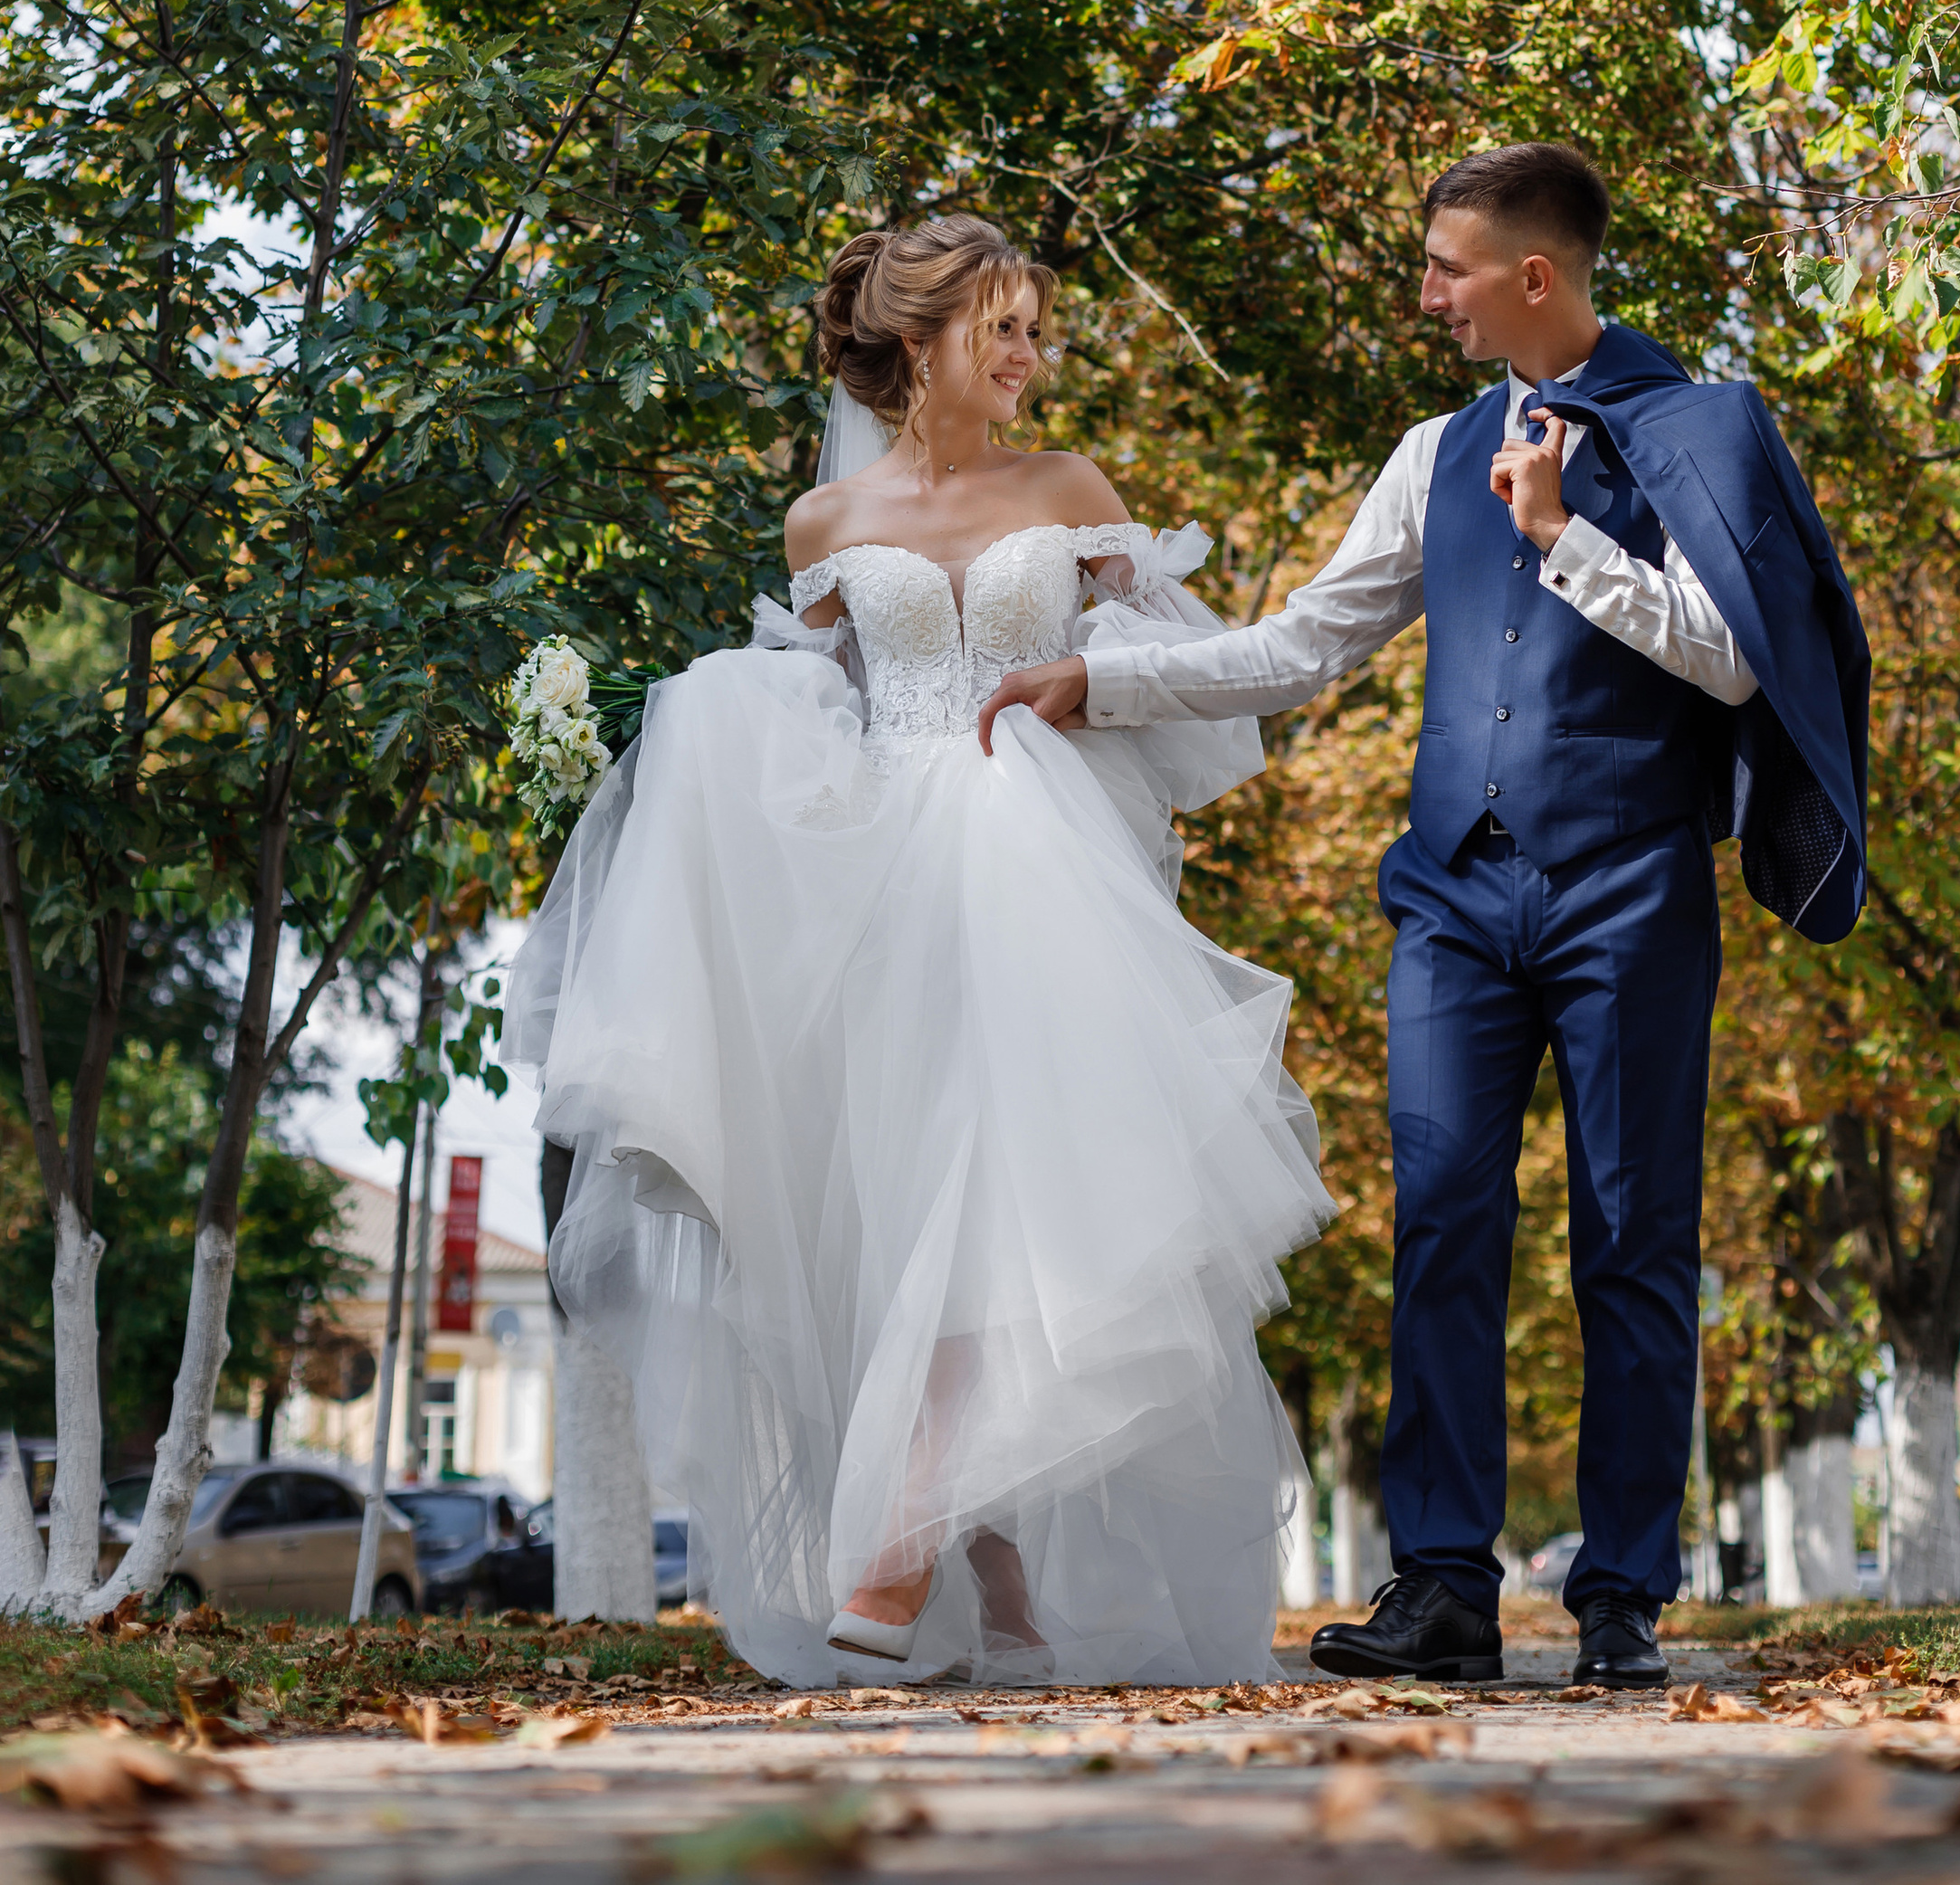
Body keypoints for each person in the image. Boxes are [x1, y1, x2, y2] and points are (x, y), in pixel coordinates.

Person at [982, 140, 1870, 1690]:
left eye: (1447, 268)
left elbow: (1737, 662)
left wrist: (1563, 541)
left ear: (1533, 275)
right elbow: (1306, 642)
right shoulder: (1430, 451)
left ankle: (1621, 1600)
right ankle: (1445, 1587)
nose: (1427, 294)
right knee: (1446, 1223)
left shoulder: (1696, 430)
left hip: (1632, 893)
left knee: (1630, 1238)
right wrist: (1102, 681)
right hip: (1454, 894)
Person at [506, 216, 1333, 1689]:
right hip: (877, 889)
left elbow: (1188, 699)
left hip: (1038, 875)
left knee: (993, 1192)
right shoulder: (826, 527)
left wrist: (1091, 690)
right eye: (1003, 329)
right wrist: (691, 725)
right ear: (921, 340)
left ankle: (891, 1547)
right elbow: (811, 712)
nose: (1030, 357)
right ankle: (1007, 1598)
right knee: (907, 1224)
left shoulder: (1073, 492)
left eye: (1036, 331)